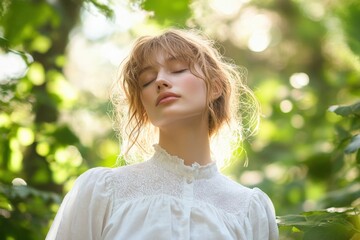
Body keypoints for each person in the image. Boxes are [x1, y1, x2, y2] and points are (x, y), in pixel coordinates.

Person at [46, 28, 279, 240]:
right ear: (143, 106)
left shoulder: (249, 209)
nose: (160, 81)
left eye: (178, 69)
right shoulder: (104, 191)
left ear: (215, 87)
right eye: (147, 80)